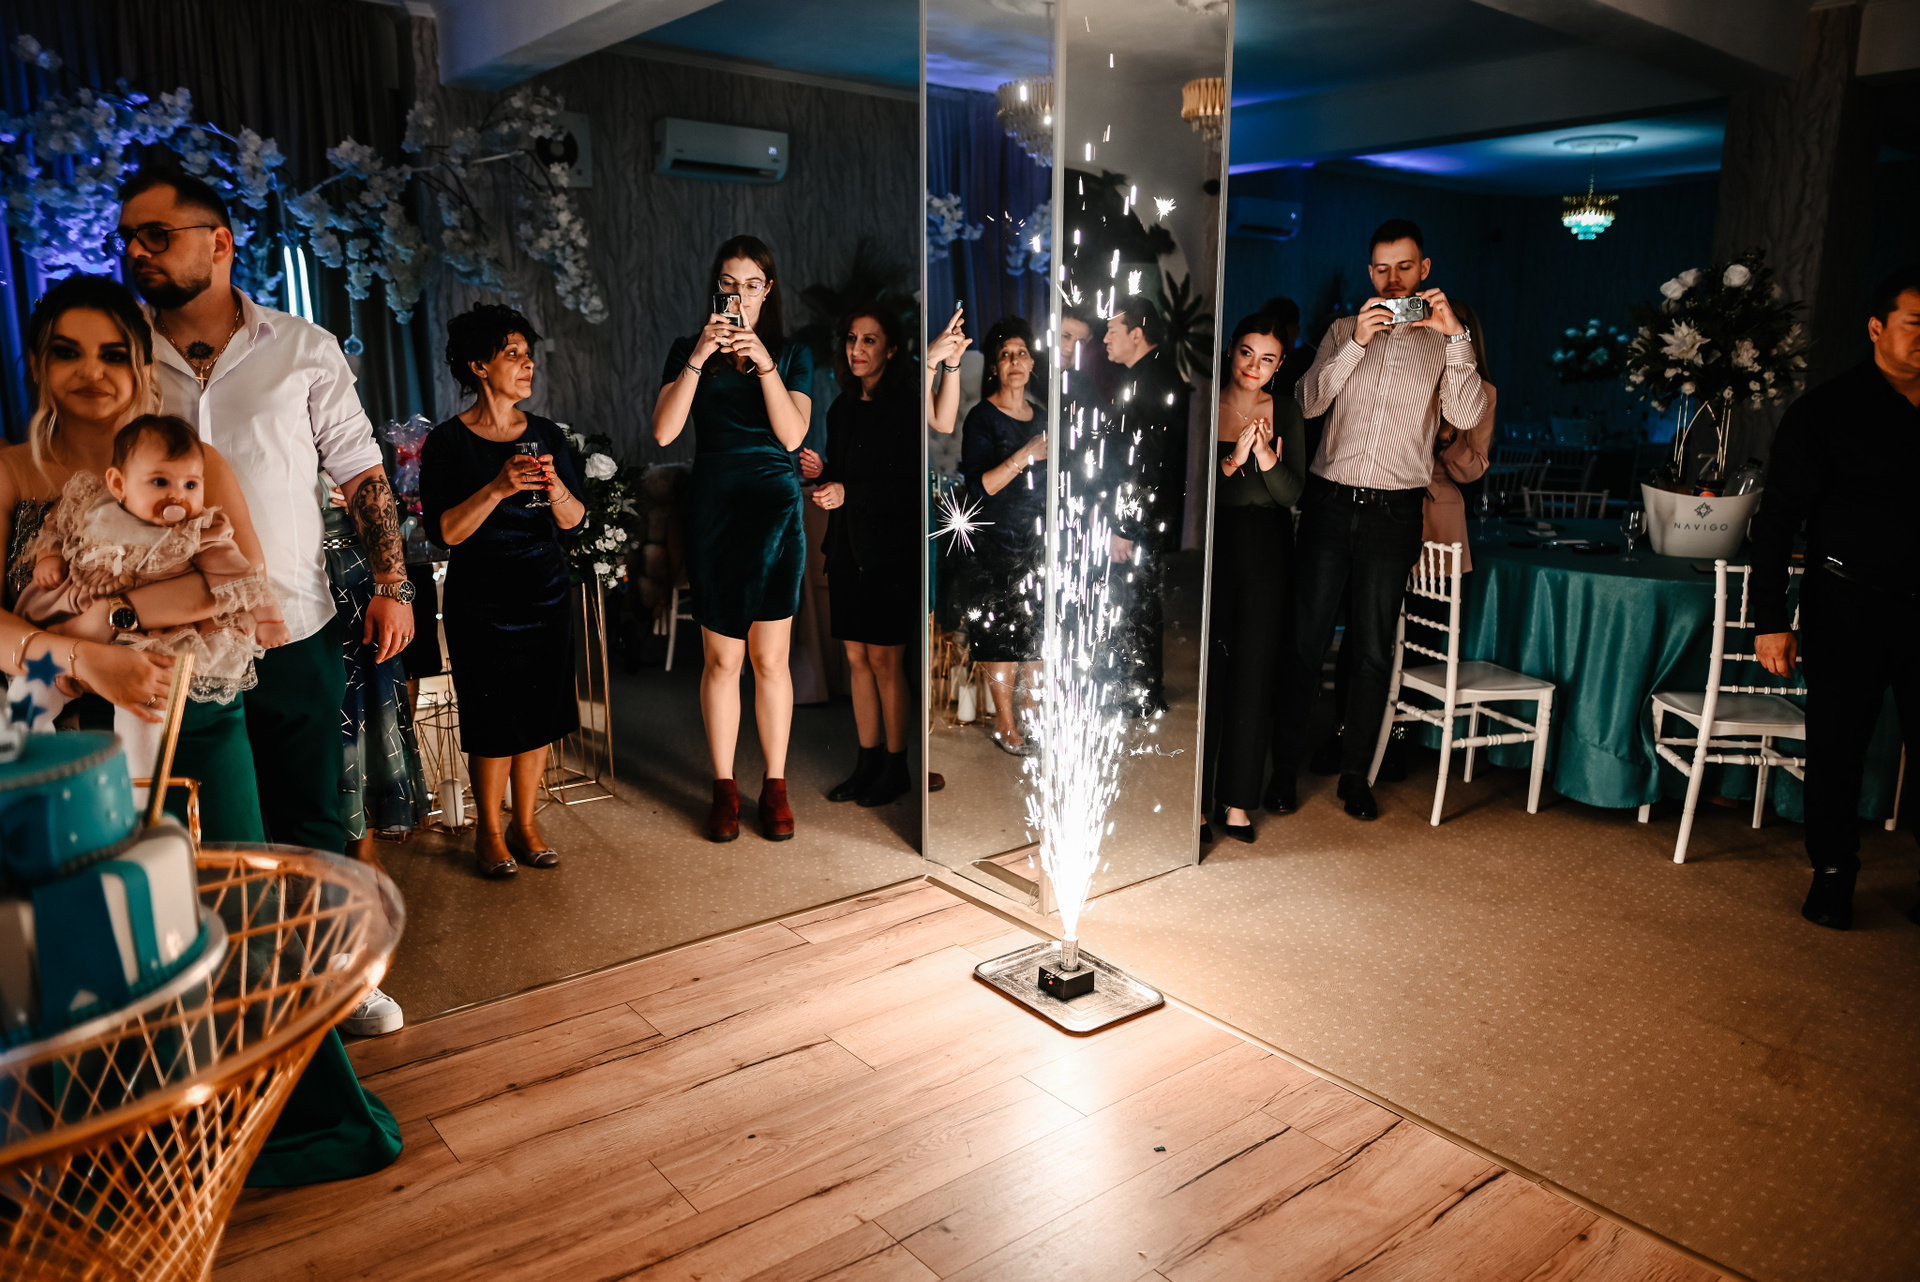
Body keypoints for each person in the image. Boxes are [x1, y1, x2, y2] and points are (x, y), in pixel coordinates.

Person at [0, 273, 401, 1183]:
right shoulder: (14, 472)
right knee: (101, 934)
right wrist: (84, 659)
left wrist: (116, 620)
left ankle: (284, 1126)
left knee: (233, 910)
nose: (92, 371)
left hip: (197, 718)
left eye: (113, 352)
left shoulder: (198, 462)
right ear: (38, 365)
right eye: (67, 352)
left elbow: (241, 586)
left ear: (142, 363)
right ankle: (121, 1151)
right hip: (66, 741)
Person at [115, 172, 415, 852]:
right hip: (171, 639)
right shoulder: (122, 357)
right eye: (127, 238)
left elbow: (361, 471)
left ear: (219, 243)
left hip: (293, 625)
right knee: (198, 835)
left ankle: (318, 926)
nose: (136, 251)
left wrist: (392, 585)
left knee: (310, 822)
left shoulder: (303, 348)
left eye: (156, 235)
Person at [1273, 218, 1486, 821]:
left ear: (1425, 270)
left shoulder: (1446, 342)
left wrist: (1456, 336)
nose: (1393, 281)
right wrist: (1356, 345)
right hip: (1330, 504)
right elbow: (1308, 402)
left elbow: (1468, 412)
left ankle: (1355, 777)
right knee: (1306, 643)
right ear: (1370, 273)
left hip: (1395, 512)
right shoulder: (1343, 330)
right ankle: (1282, 772)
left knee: (1372, 650)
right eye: (1383, 269)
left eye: (1405, 268)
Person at [1751, 264, 1920, 931]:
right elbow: (1776, 521)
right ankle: (1833, 873)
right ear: (1878, 327)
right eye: (1916, 324)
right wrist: (1770, 618)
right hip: (1846, 603)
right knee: (1837, 747)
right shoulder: (1826, 411)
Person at [653, 236, 815, 841]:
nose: (739, 295)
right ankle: (723, 787)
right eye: (729, 284)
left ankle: (775, 784)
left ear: (767, 290)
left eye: (751, 285)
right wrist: (700, 355)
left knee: (771, 659)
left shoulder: (793, 354)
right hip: (715, 510)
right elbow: (665, 432)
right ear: (716, 288)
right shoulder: (685, 350)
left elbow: (793, 436)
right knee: (722, 660)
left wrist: (765, 363)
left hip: (775, 513)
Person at [420, 304, 585, 876]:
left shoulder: (546, 435)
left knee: (539, 711)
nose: (527, 364)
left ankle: (526, 823)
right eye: (512, 354)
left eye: (528, 355)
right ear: (478, 366)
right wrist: (497, 487)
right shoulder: (446, 443)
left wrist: (555, 485)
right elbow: (445, 532)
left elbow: (574, 520)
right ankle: (488, 831)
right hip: (482, 600)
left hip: (545, 591)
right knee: (492, 718)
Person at [10, 414, 285, 733]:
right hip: (73, 619)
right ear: (118, 484)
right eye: (160, 482)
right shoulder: (94, 505)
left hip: (149, 639)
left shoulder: (197, 534)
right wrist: (48, 556)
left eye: (191, 485)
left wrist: (269, 618)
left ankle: (141, 764)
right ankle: (24, 737)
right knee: (37, 679)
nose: (178, 496)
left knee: (148, 700)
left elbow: (240, 576)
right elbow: (56, 528)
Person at [1202, 314, 1306, 844]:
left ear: (1280, 364)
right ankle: (1197, 802)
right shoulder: (1205, 403)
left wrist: (1264, 456)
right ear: (1231, 351)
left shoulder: (1286, 410)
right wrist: (1232, 459)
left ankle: (1238, 800)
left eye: (1268, 359)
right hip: (1213, 542)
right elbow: (1195, 493)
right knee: (1210, 672)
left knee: (1255, 669)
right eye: (1246, 353)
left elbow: (1291, 494)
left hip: (1267, 546)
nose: (1254, 366)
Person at [813, 305, 920, 807]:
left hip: (889, 554)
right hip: (846, 549)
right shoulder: (840, 408)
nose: (857, 349)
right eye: (852, 338)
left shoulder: (906, 408)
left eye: (870, 340)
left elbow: (907, 489)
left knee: (885, 660)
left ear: (892, 349)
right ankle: (867, 761)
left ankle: (897, 768)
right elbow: (843, 477)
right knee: (856, 658)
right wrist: (821, 472)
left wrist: (846, 492)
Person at [958, 317, 1047, 754]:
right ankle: (1006, 724)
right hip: (994, 544)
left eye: (1022, 353)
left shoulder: (1043, 417)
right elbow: (979, 488)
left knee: (1037, 634)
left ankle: (1032, 719)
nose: (1015, 361)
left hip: (1038, 542)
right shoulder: (982, 418)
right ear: (995, 366)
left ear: (1032, 363)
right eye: (1006, 355)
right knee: (1002, 636)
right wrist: (1024, 455)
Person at [1103, 299, 1187, 716]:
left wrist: (1124, 526)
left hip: (1140, 518)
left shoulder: (1149, 382)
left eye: (1112, 330)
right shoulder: (1150, 374)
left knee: (1136, 602)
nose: (1104, 338)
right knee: (1138, 600)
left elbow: (1145, 463)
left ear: (1136, 334)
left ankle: (1142, 694)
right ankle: (1141, 690)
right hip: (1147, 515)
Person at [1258, 295, 1315, 399]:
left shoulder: (1308, 360)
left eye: (1278, 331)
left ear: (1295, 331)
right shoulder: (1310, 358)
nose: (1270, 335)